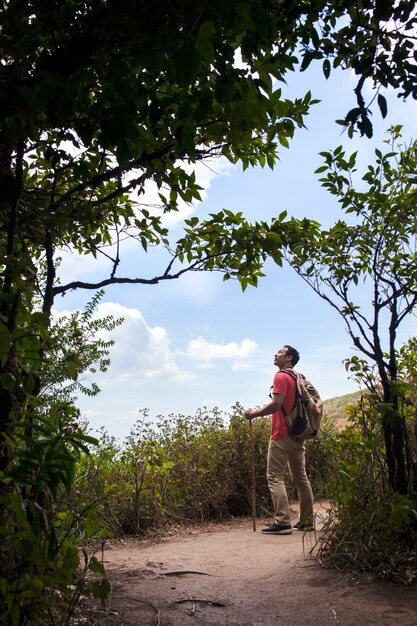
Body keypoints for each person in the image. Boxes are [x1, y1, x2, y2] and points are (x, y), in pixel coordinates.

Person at [244, 345, 314, 535]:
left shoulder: (280, 376)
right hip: (298, 434)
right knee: (301, 478)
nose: (275, 355)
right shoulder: (300, 377)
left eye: (280, 353)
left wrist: (254, 414)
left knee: (275, 477)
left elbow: (276, 405)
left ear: (289, 358)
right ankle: (307, 521)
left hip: (281, 434)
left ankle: (282, 522)